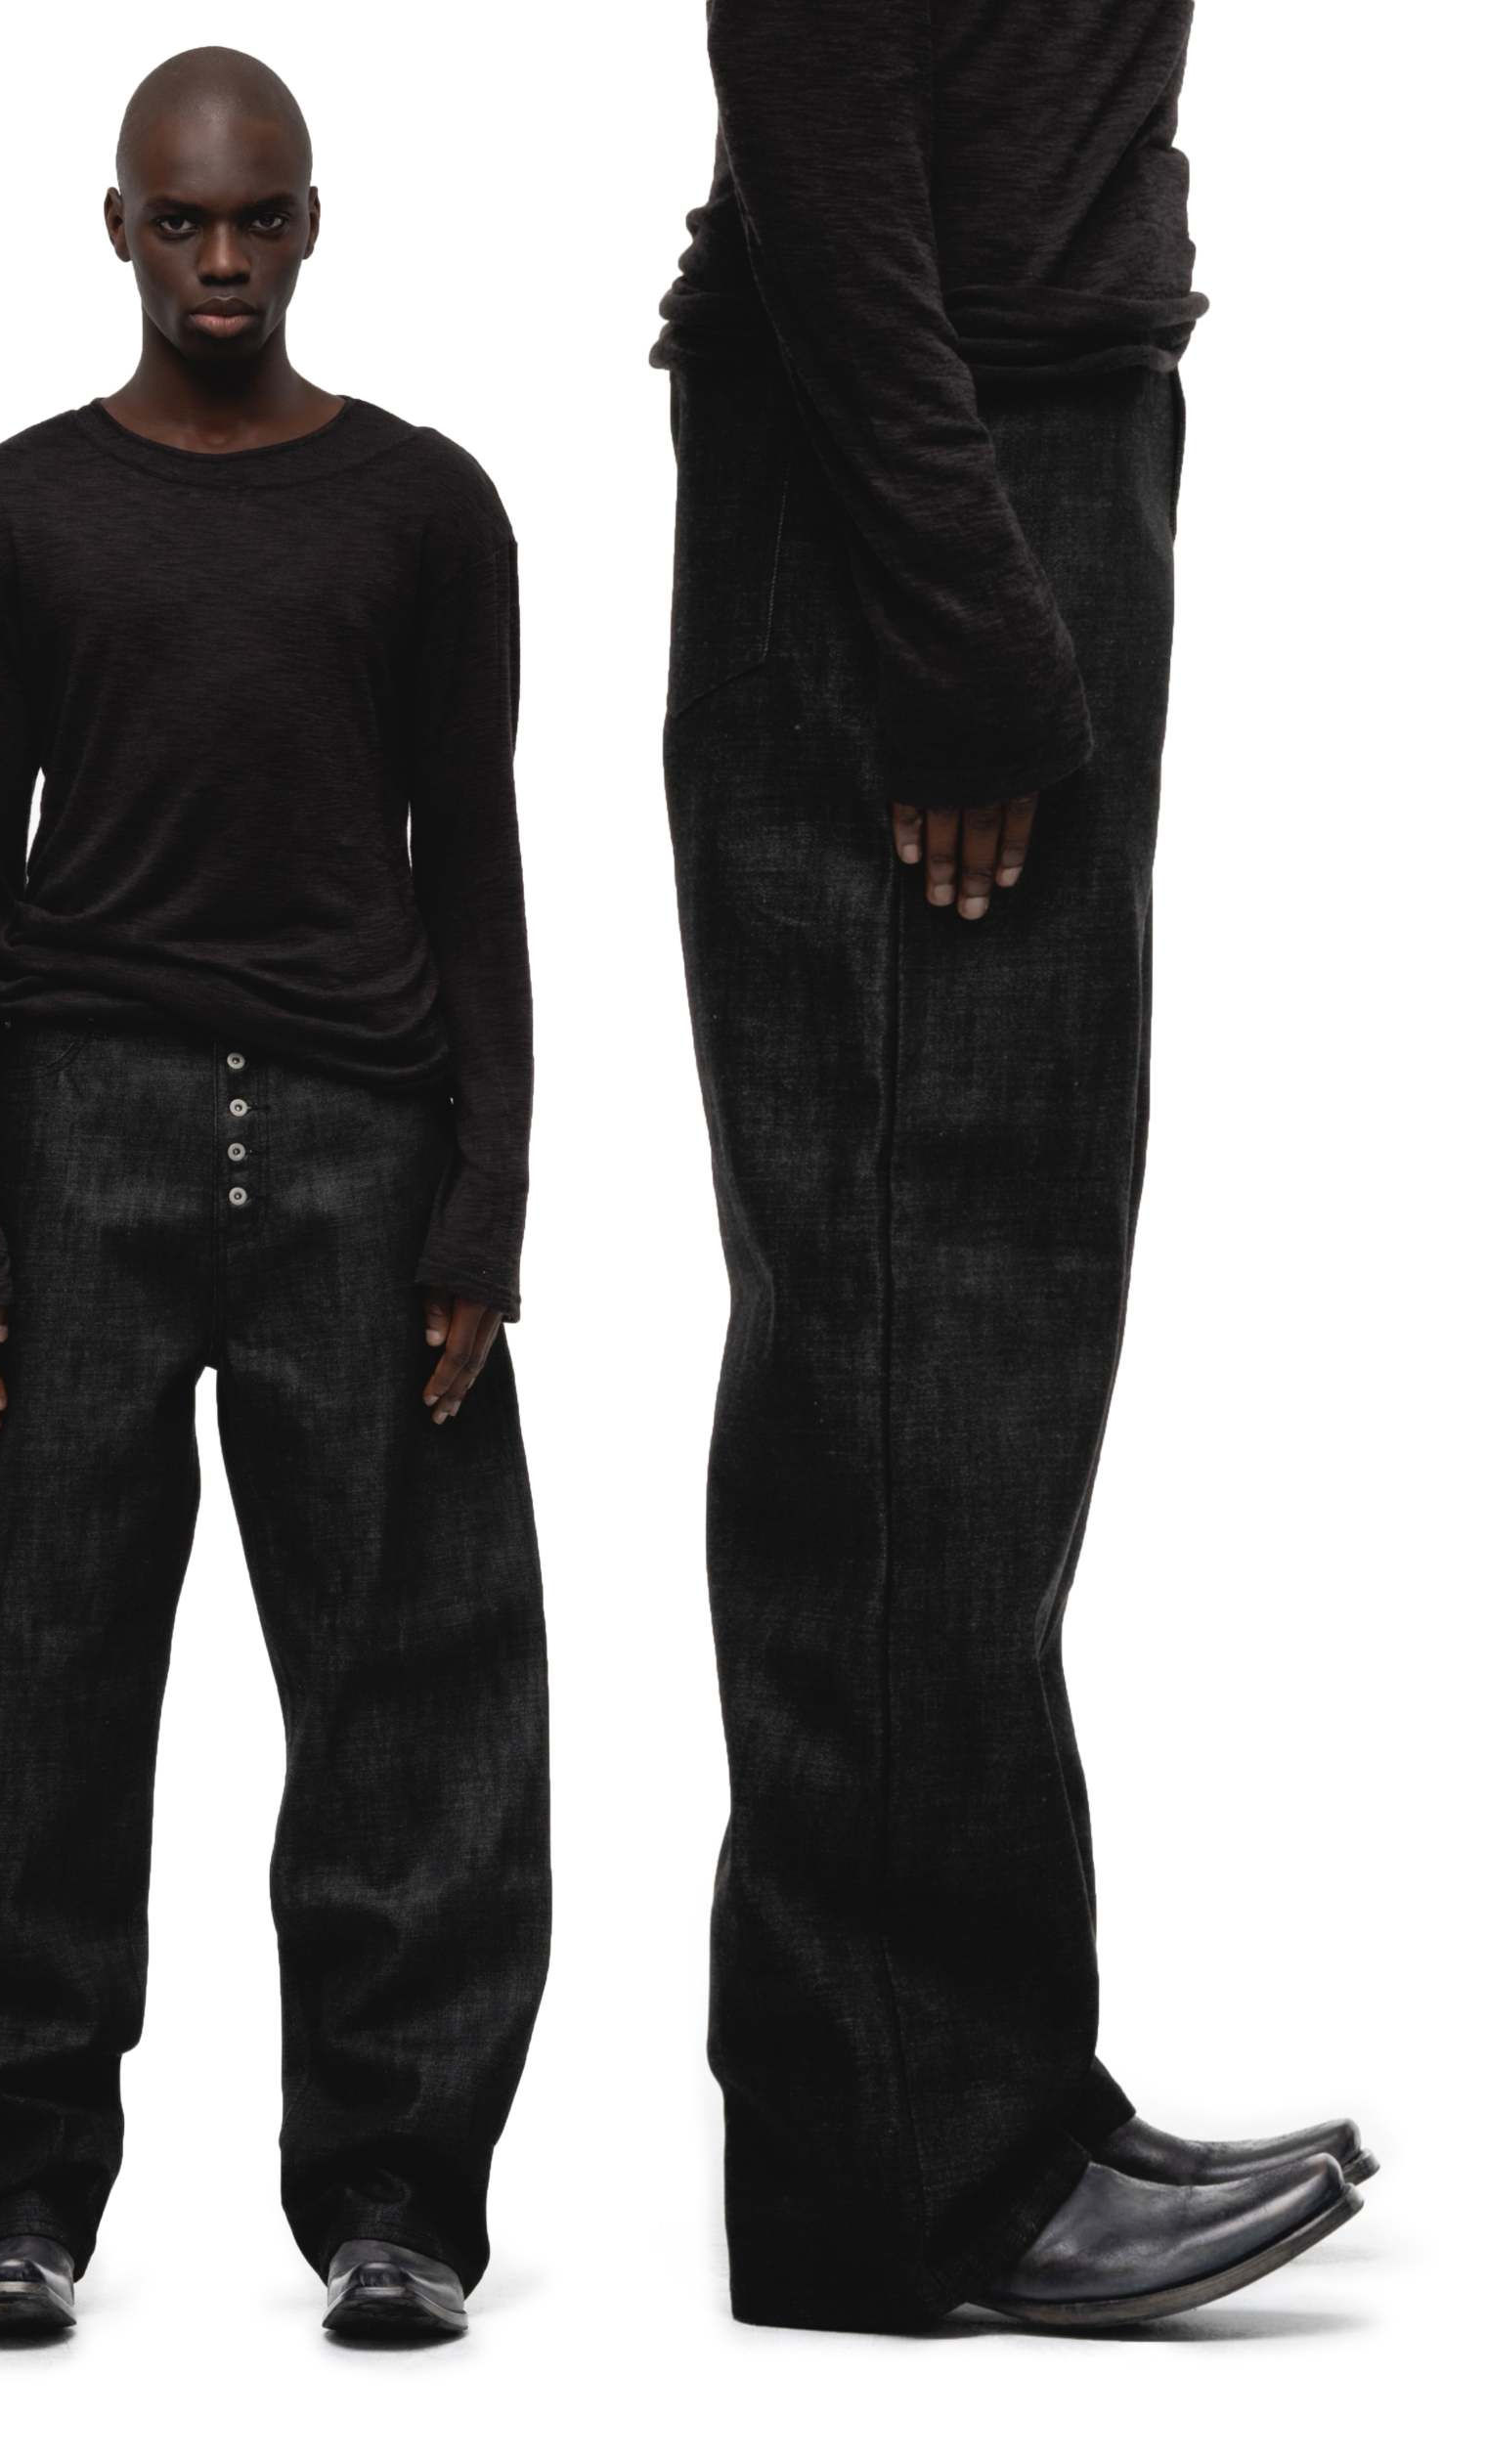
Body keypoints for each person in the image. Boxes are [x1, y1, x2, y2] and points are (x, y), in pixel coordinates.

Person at [652, 0, 1371, 2331]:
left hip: (1024, 447)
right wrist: (956, 620)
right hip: (915, 478)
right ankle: (902, 2176)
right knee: (903, 1306)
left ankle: (986, 2084)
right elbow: (813, 99)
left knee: (998, 1330)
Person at [0, 45, 549, 2344]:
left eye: (261, 217)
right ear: (119, 229)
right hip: (81, 1139)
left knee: (417, 1696)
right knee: (19, 1693)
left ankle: (400, 2206)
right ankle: (5, 2203)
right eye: (185, 221)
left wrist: (487, 1208)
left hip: (365, 1144)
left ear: (314, 222)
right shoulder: (12, 518)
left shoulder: (427, 511)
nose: (225, 260)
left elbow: (475, 871)